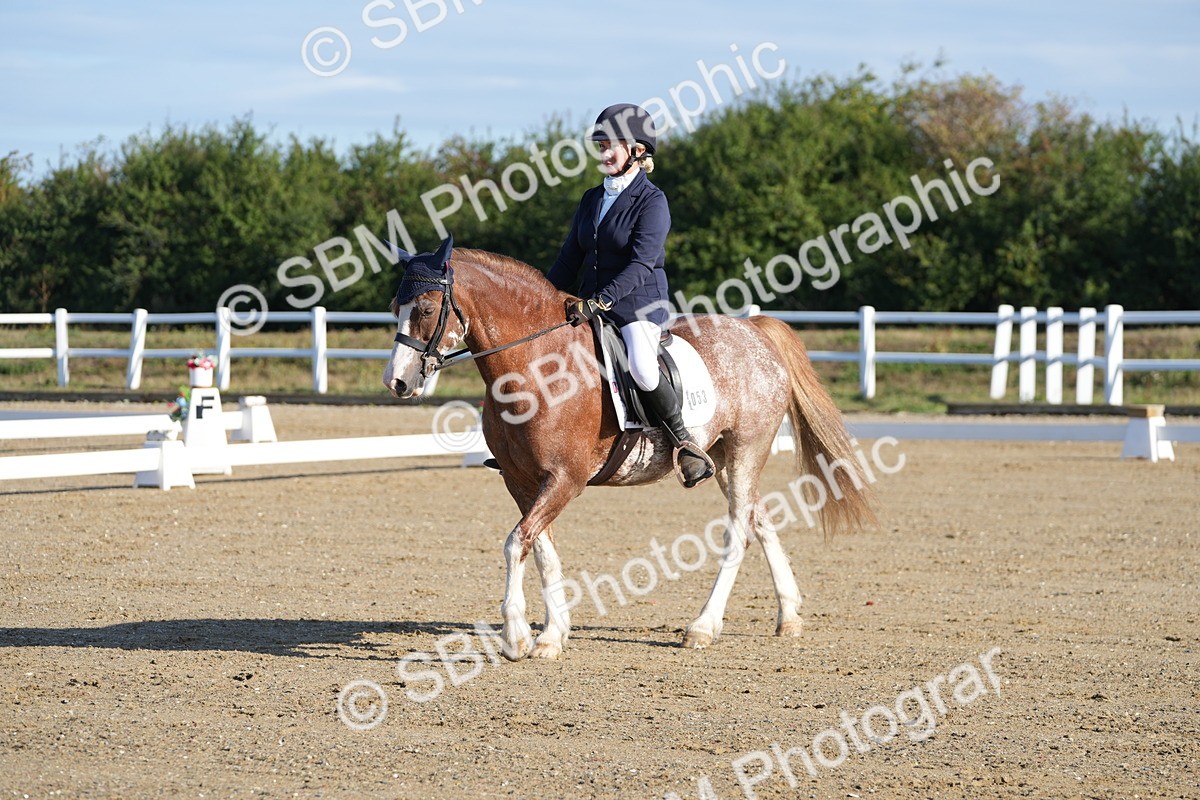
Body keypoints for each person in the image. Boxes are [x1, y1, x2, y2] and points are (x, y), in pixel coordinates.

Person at [547, 103, 715, 488]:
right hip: (587, 302)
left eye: (612, 146)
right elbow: (568, 257)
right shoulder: (592, 198)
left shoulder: (652, 202)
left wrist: (600, 300)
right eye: (601, 145)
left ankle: (684, 443)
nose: (604, 153)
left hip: (637, 304)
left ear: (638, 150)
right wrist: (544, 298)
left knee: (640, 364)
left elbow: (641, 264)